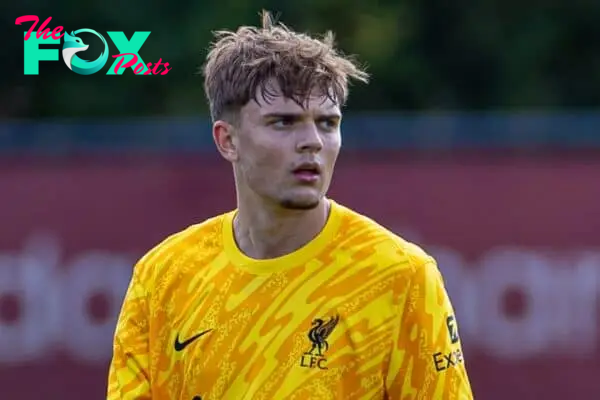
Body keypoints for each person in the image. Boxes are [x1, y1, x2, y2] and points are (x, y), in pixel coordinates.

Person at [107, 10, 473, 400]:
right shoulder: (162, 276)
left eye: (328, 123)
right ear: (227, 140)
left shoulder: (402, 277)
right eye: (283, 122)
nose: (312, 141)